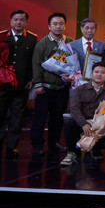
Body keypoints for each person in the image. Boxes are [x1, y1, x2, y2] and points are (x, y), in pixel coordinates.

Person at [31, 12, 74, 156]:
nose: (58, 26)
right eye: (55, 24)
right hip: (45, 88)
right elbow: (36, 65)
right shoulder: (42, 44)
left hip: (62, 88)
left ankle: (54, 142)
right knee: (40, 117)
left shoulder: (69, 41)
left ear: (65, 26)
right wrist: (38, 85)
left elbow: (74, 62)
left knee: (57, 117)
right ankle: (37, 145)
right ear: (49, 26)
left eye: (61, 24)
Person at [60, 62, 105, 166]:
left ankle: (95, 148)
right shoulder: (80, 89)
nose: (99, 74)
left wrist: (99, 125)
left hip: (100, 124)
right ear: (91, 74)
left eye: (102, 72)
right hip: (83, 122)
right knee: (70, 123)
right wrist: (83, 123)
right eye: (96, 72)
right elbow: (74, 109)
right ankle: (71, 153)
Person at [0, 10, 38, 157]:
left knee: (17, 116)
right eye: (15, 20)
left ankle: (12, 147)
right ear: (10, 21)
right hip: (2, 84)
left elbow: (33, 62)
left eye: (22, 20)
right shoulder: (2, 36)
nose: (18, 23)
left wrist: (31, 79)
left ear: (26, 22)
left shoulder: (32, 39)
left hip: (21, 85)